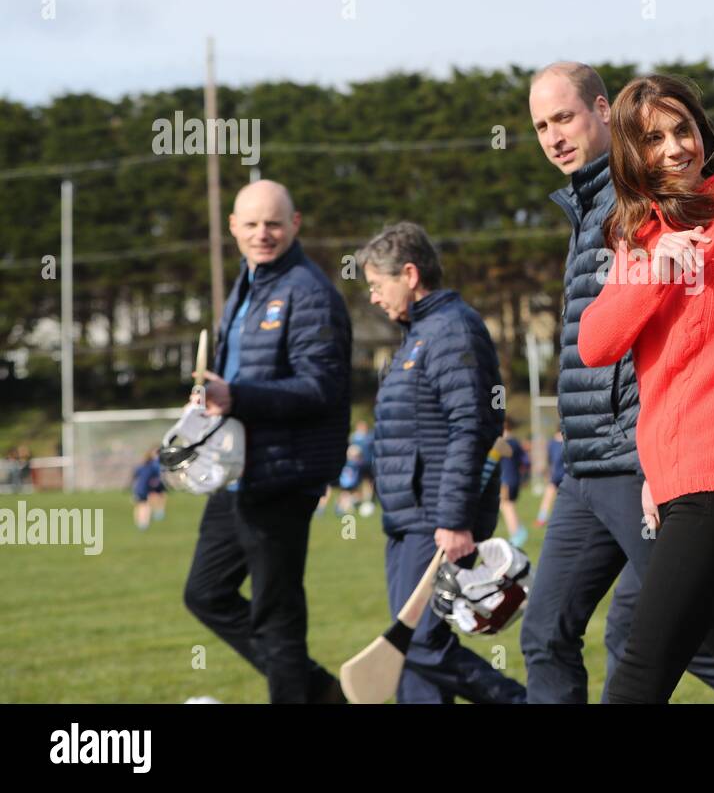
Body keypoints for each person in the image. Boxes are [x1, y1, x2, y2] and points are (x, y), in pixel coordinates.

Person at [521, 62, 714, 704]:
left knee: (635, 682)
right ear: (633, 154)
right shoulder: (640, 234)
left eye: (683, 130)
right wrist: (652, 271)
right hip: (671, 486)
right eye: (653, 139)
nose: (675, 147)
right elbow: (598, 345)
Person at [182, 179, 351, 704]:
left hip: (283, 474)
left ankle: (304, 693)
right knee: (205, 593)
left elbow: (320, 388)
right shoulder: (246, 284)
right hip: (236, 472)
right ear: (232, 228)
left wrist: (238, 397)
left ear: (295, 223)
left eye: (274, 223)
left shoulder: (308, 291)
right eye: (251, 224)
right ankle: (321, 690)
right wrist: (206, 399)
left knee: (277, 616)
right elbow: (234, 373)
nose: (263, 234)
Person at [358, 221, 526, 704]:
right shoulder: (418, 335)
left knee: (419, 643)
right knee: (408, 653)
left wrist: (454, 520)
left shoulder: (452, 329)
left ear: (409, 274)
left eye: (377, 285)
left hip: (435, 520)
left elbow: (471, 428)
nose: (373, 298)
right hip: (407, 519)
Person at [497, 417, 530, 547]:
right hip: (515, 479)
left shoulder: (501, 443)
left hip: (506, 480)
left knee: (506, 506)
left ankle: (517, 534)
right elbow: (525, 461)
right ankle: (518, 532)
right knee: (508, 505)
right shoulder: (515, 442)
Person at [535, 427, 565, 526]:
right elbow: (551, 460)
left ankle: (542, 518)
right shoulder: (560, 442)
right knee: (549, 496)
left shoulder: (553, 443)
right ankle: (542, 518)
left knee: (549, 497)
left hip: (559, 475)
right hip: (561, 475)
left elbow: (551, 460)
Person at [131, 448, 166, 529]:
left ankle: (141, 523)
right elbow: (156, 475)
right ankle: (144, 523)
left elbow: (135, 475)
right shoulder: (153, 465)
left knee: (141, 505)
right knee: (145, 505)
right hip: (143, 489)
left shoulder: (142, 466)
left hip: (138, 488)